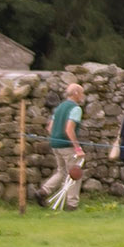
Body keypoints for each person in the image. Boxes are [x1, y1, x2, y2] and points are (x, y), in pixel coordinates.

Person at [36, 82, 86, 211]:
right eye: (81, 93)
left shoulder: (59, 107)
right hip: (67, 145)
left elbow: (50, 128)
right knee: (75, 173)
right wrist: (78, 148)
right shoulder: (75, 108)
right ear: (75, 93)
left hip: (55, 144)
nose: (83, 96)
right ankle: (72, 204)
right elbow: (69, 129)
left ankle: (43, 191)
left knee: (61, 171)